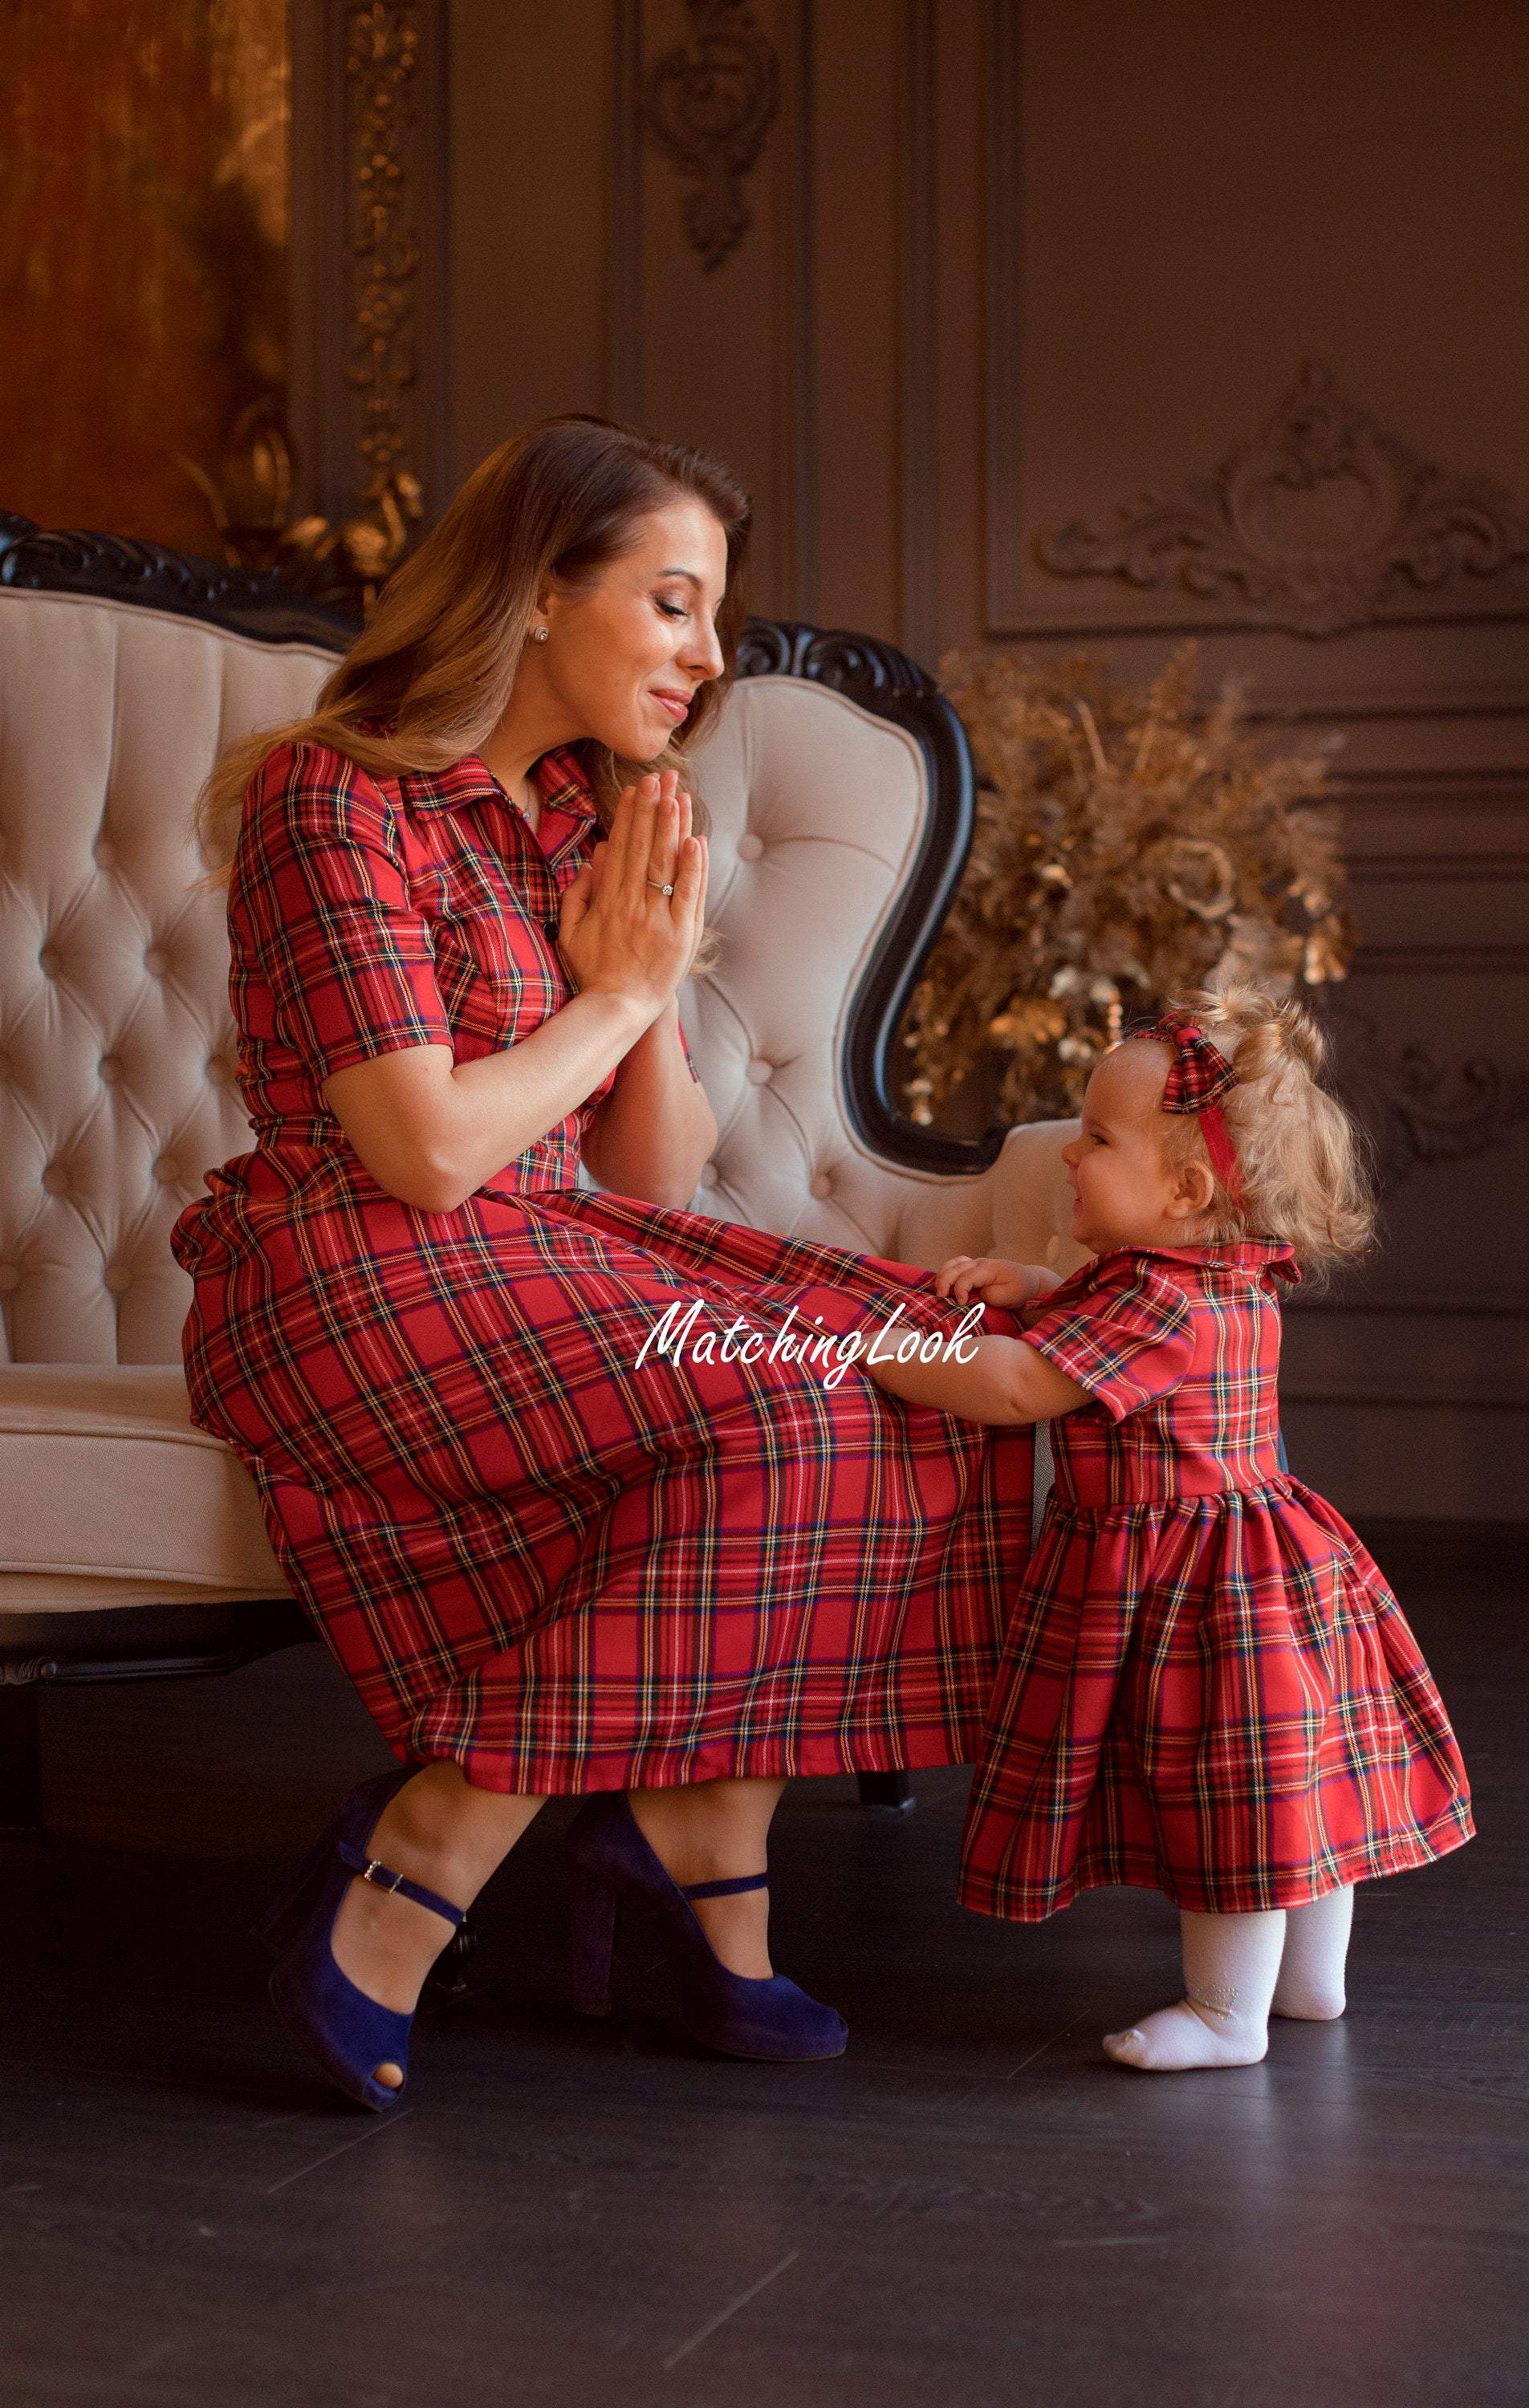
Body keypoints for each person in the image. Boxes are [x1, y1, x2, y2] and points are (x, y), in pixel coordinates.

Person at [173, 413, 1034, 2111]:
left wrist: (641, 977)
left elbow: (647, 1168)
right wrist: (622, 997)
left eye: (711, 616)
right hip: (350, 1278)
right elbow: (421, 1149)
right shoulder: (329, 799)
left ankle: (645, 1874)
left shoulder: (586, 821)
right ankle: (468, 1861)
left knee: (875, 1392)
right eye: (673, 604)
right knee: (796, 1409)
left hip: (545, 1260)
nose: (709, 659)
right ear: (539, 594)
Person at [853, 985, 1474, 2072]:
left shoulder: (1153, 1304)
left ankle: (1228, 2014)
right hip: (1274, 1562)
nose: (1066, 1156)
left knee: (1221, 1800)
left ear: (1186, 1189)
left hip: (1187, 1587)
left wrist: (882, 1348)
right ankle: (1311, 1981)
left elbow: (1012, 1391)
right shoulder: (1214, 1277)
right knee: (1293, 1780)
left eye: (1093, 1138)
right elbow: (1117, 1318)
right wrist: (1043, 1282)